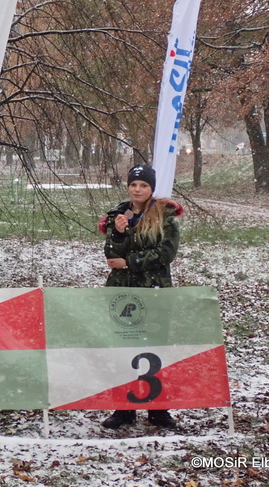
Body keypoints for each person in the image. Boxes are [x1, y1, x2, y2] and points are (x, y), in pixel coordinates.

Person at [98, 164, 184, 430]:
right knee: (124, 348)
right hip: (123, 293)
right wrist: (120, 234)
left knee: (155, 349)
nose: (137, 190)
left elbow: (166, 253)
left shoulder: (166, 216)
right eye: (134, 185)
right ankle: (124, 409)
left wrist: (130, 262)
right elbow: (110, 254)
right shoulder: (118, 214)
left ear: (151, 188)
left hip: (154, 290)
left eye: (143, 185)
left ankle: (159, 409)